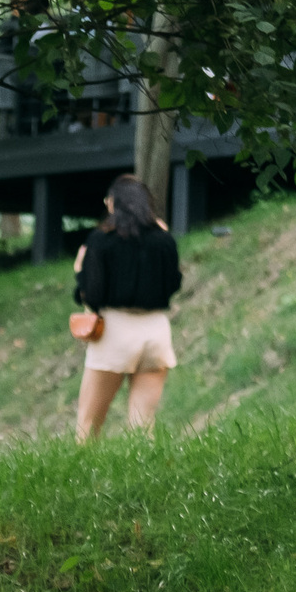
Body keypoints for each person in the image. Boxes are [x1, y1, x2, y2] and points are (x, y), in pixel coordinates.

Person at [71, 173, 184, 440]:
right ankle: (146, 478)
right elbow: (174, 284)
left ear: (112, 203)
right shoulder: (164, 240)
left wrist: (79, 274)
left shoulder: (101, 240)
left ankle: (81, 479)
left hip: (114, 332)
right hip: (156, 332)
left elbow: (93, 295)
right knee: (143, 425)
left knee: (88, 424)